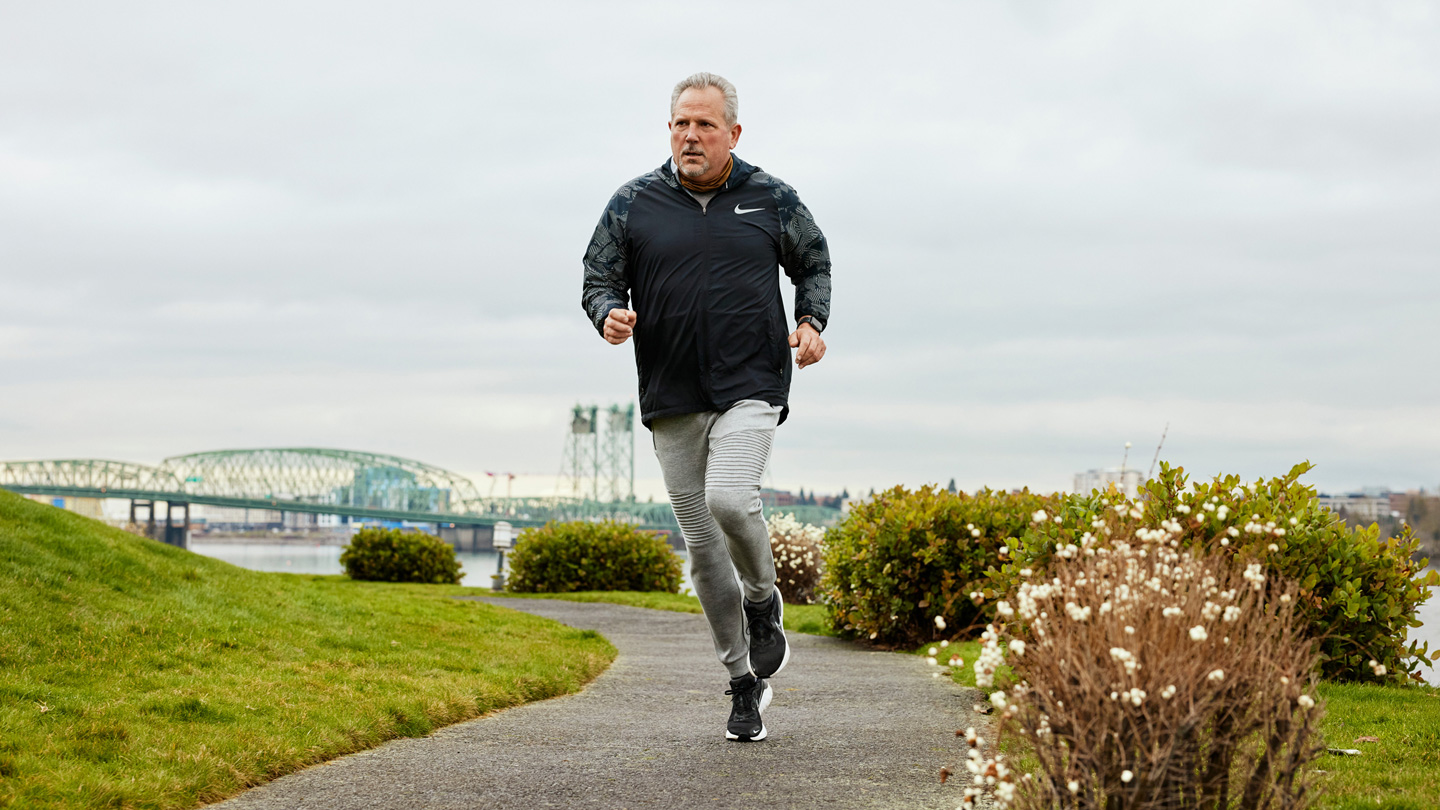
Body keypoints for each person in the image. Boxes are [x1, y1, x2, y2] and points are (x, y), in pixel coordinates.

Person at [581, 72, 832, 741]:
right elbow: (598, 276)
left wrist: (811, 321)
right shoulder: (632, 203)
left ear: (733, 134)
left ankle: (763, 600)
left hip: (752, 381)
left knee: (729, 499)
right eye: (680, 124)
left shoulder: (771, 198)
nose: (690, 136)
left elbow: (814, 262)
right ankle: (743, 684)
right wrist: (607, 312)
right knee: (701, 550)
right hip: (671, 393)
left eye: (705, 125)